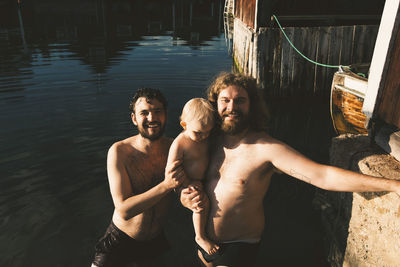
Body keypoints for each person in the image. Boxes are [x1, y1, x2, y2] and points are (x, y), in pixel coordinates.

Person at [179, 72, 400, 267]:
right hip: (203, 245)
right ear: (215, 104)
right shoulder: (206, 141)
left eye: (240, 101)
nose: (232, 107)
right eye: (225, 100)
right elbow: (181, 180)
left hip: (238, 248)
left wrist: (392, 184)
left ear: (252, 105)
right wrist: (183, 198)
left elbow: (321, 175)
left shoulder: (266, 148)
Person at [91, 88, 186, 267]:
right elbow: (124, 210)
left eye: (158, 111)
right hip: (120, 241)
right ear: (134, 118)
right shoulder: (120, 152)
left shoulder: (176, 148)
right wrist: (166, 186)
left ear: (166, 115)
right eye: (144, 113)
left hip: (155, 242)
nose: (152, 118)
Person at [166, 98, 219, 257]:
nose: (204, 136)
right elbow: (170, 170)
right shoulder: (180, 143)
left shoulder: (204, 136)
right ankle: (200, 236)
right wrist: (187, 184)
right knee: (200, 204)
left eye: (208, 132)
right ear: (184, 125)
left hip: (202, 179)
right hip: (187, 182)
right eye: (199, 132)